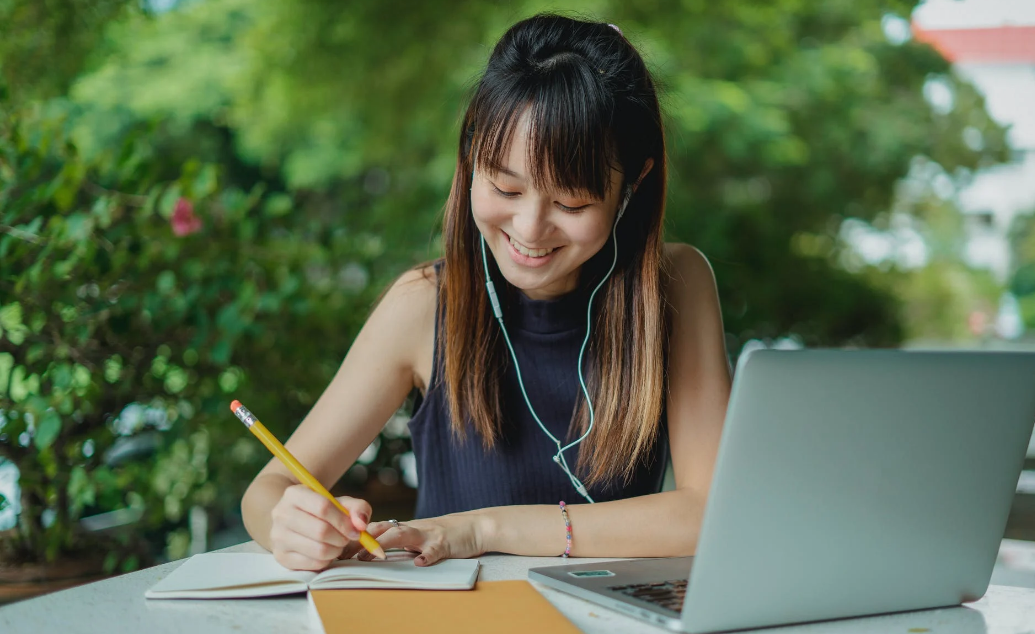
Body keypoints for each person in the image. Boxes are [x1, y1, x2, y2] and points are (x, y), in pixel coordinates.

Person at [241, 13, 731, 571]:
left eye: (571, 204)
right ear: (471, 154)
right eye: (505, 187)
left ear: (632, 184)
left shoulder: (677, 284)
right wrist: (294, 524)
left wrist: (482, 528)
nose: (529, 228)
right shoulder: (422, 304)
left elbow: (707, 512)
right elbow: (269, 489)